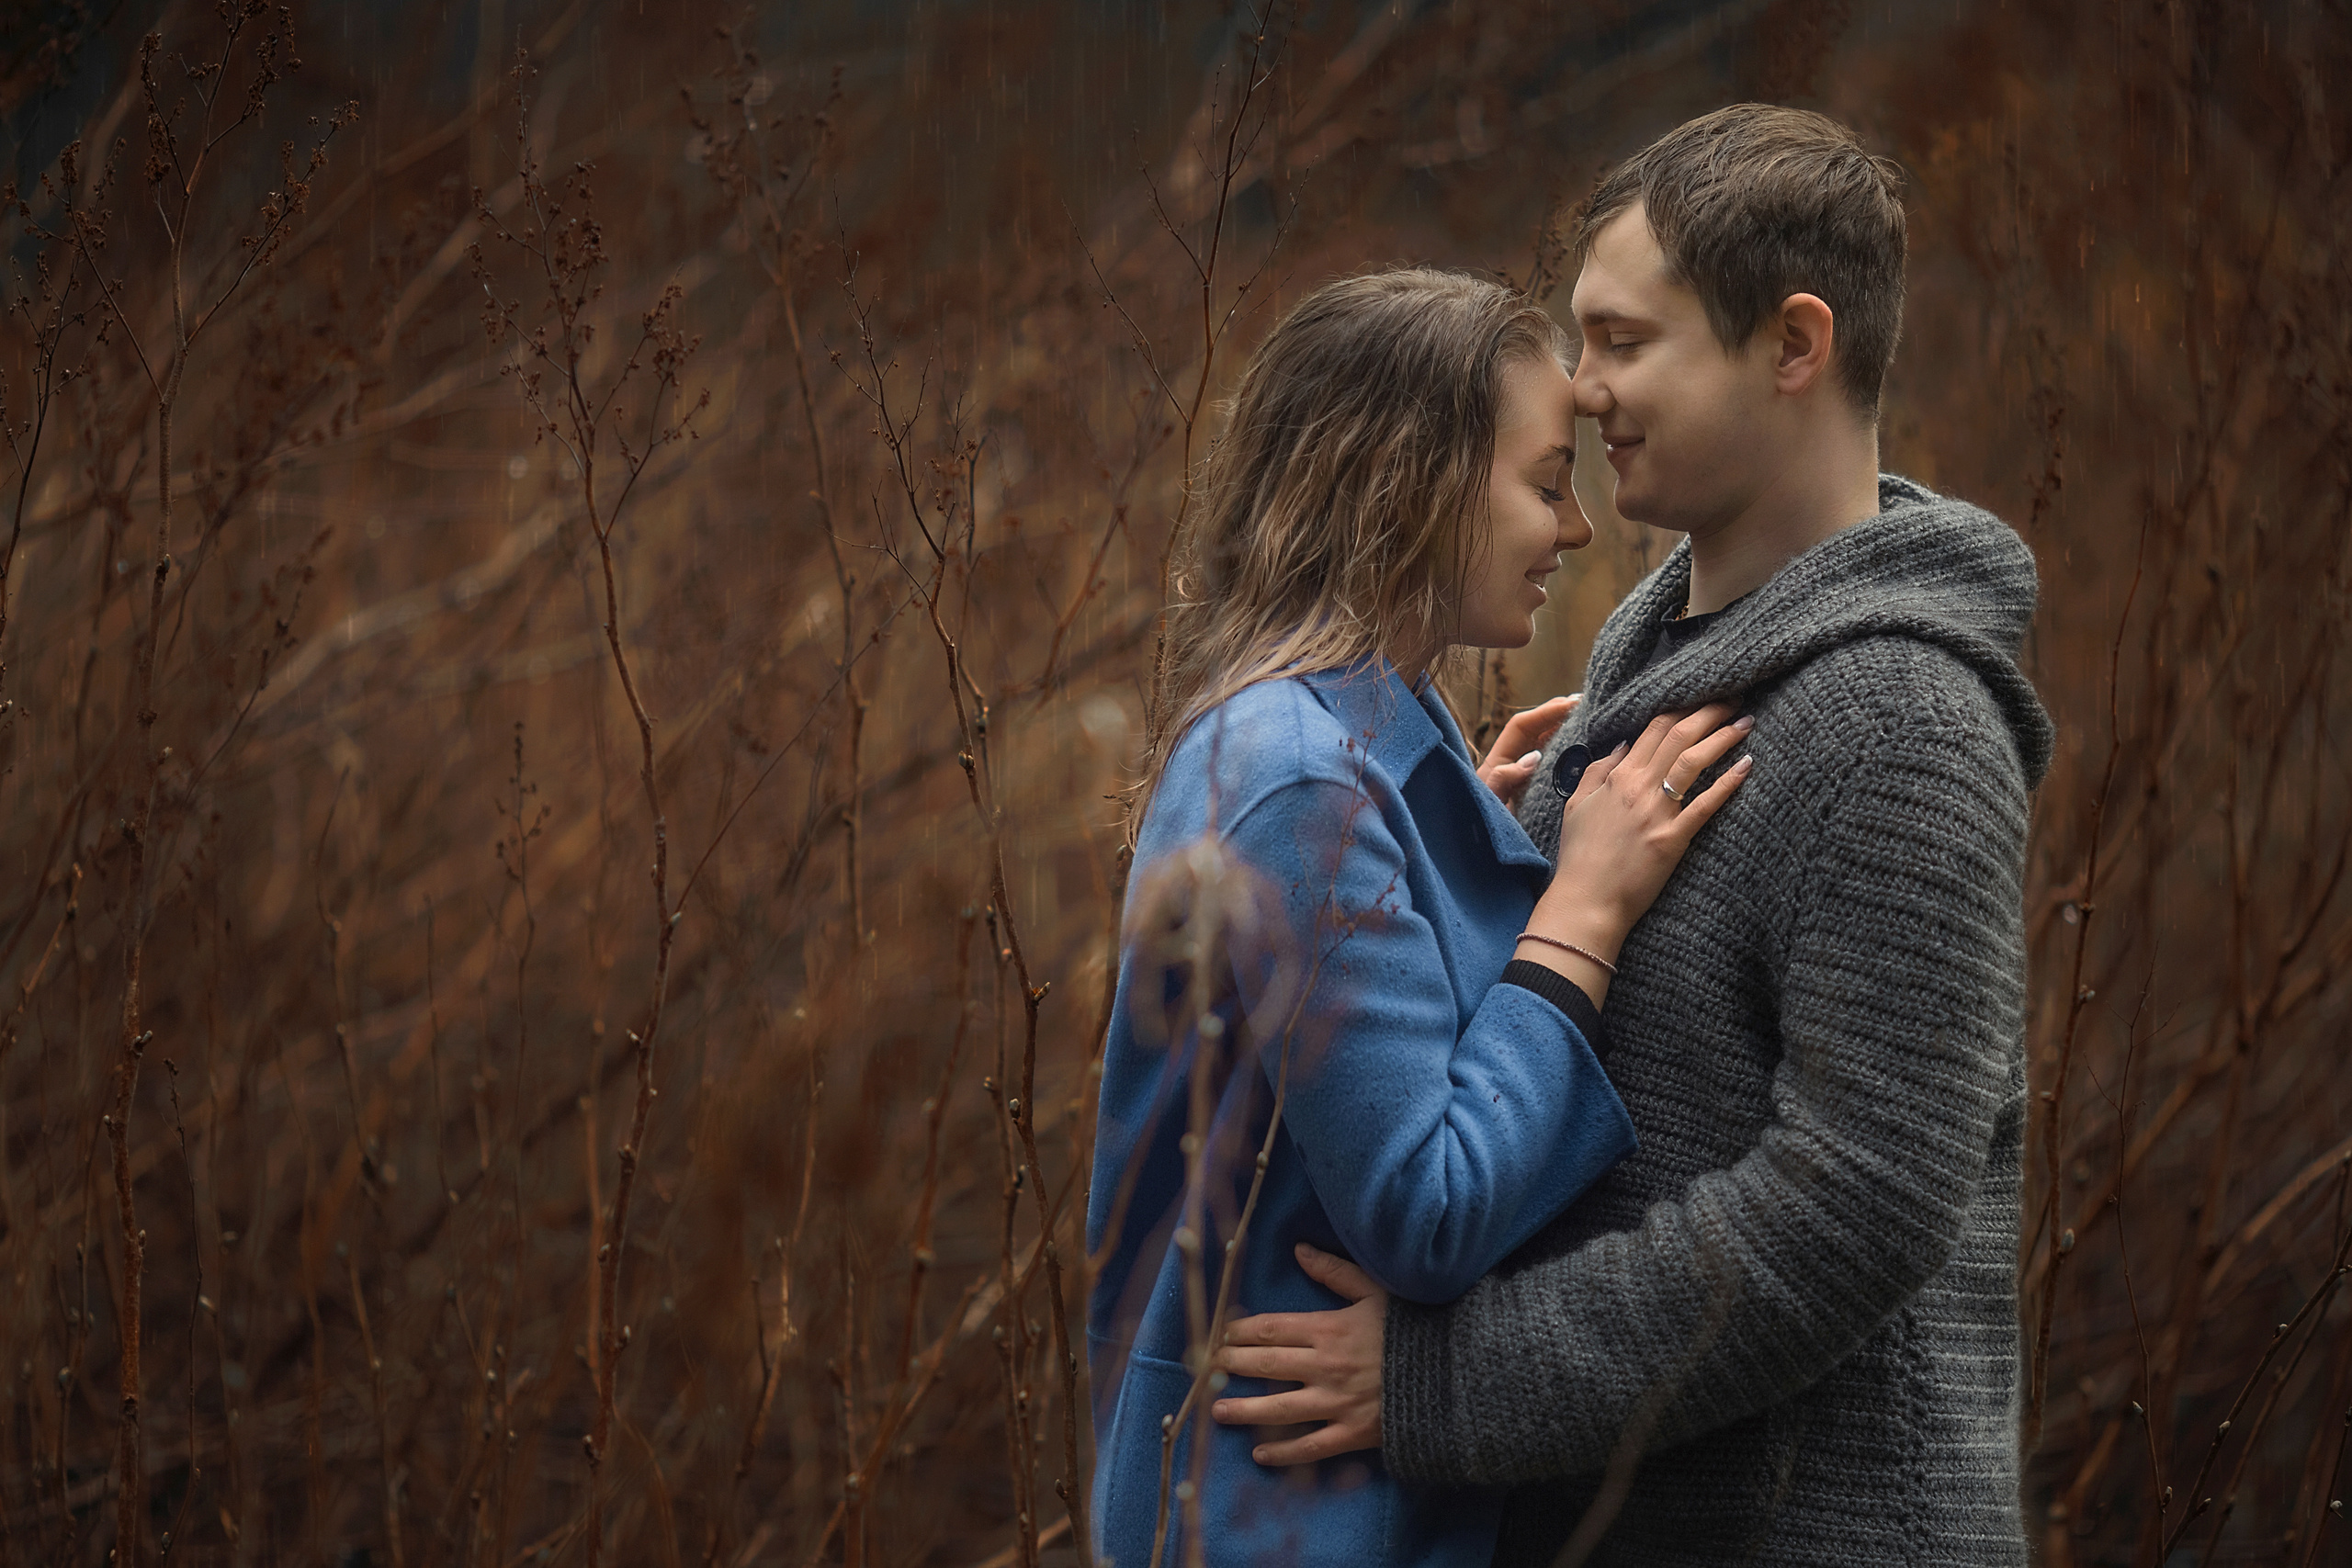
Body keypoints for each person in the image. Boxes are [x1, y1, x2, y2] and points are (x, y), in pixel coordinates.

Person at [1208, 106, 2054, 1566]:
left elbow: (1852, 1208)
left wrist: (1443, 1382)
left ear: (1795, 345)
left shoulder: (1904, 721)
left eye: (1623, 341)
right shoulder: (1641, 671)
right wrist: (1457, 856)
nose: (1581, 389)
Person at [1085, 267, 1755, 1568]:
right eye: (1545, 480)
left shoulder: (1338, 743)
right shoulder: (1296, 779)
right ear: (1419, 484)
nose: (1573, 529)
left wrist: (1445, 847)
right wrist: (1581, 912)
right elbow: (1426, 1210)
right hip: (1287, 1523)